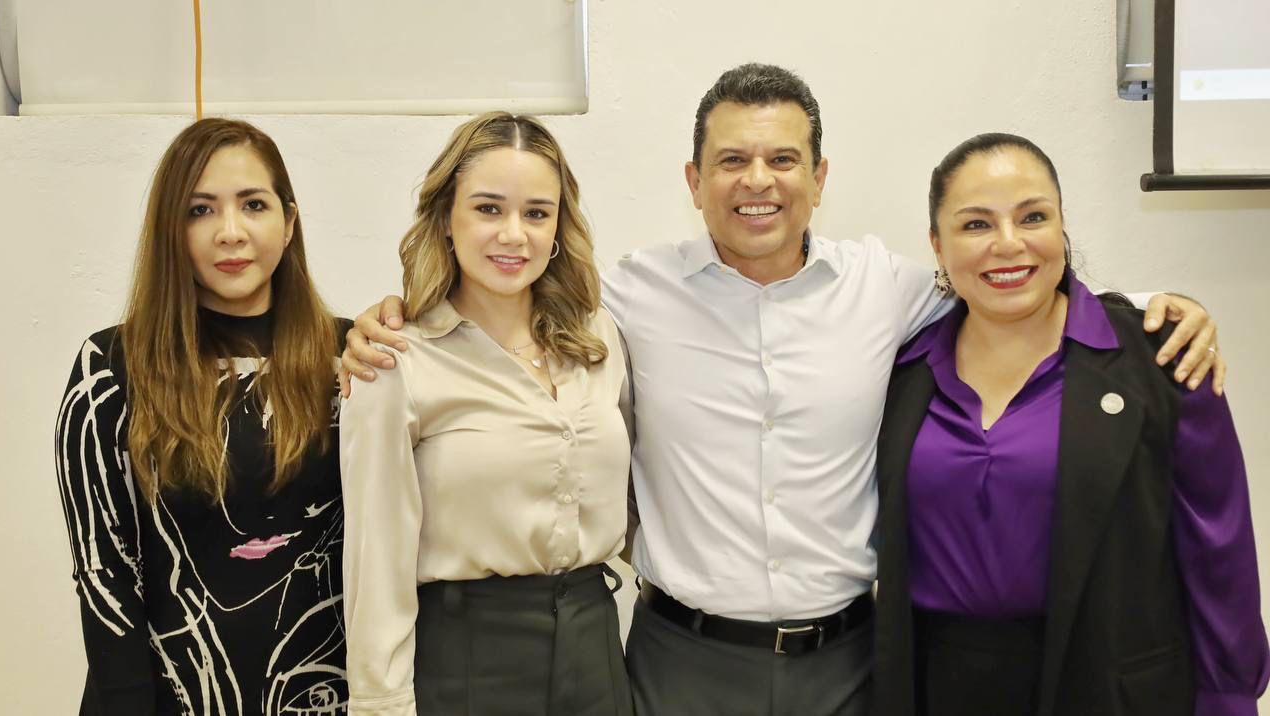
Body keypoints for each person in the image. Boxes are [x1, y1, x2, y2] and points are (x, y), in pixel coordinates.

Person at [340, 65, 1223, 716]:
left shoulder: (886, 288)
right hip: (677, 663)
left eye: (782, 159)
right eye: (731, 159)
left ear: (819, 177)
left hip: (847, 664)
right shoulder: (628, 298)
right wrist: (387, 320)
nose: (757, 181)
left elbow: (1005, 280)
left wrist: (1150, 307)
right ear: (694, 182)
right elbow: (509, 295)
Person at [871, 132, 1268, 716]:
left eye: (1033, 217)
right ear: (937, 245)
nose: (1009, 243)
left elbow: (1219, 553)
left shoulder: (1162, 361)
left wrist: (1228, 697)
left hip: (1111, 682)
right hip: (937, 684)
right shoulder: (901, 371)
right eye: (976, 224)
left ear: (1061, 226)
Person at [338, 112, 634, 716]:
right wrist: (381, 703)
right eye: (488, 209)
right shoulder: (394, 360)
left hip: (594, 647)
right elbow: (376, 560)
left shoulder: (598, 338)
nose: (514, 235)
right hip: (467, 662)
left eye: (536, 213)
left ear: (559, 228)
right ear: (447, 219)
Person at [55, 119, 351, 714]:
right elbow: (104, 574)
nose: (230, 232)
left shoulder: (350, 358)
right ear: (172, 230)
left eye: (254, 205)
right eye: (200, 210)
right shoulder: (109, 367)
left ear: (289, 222)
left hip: (328, 692)